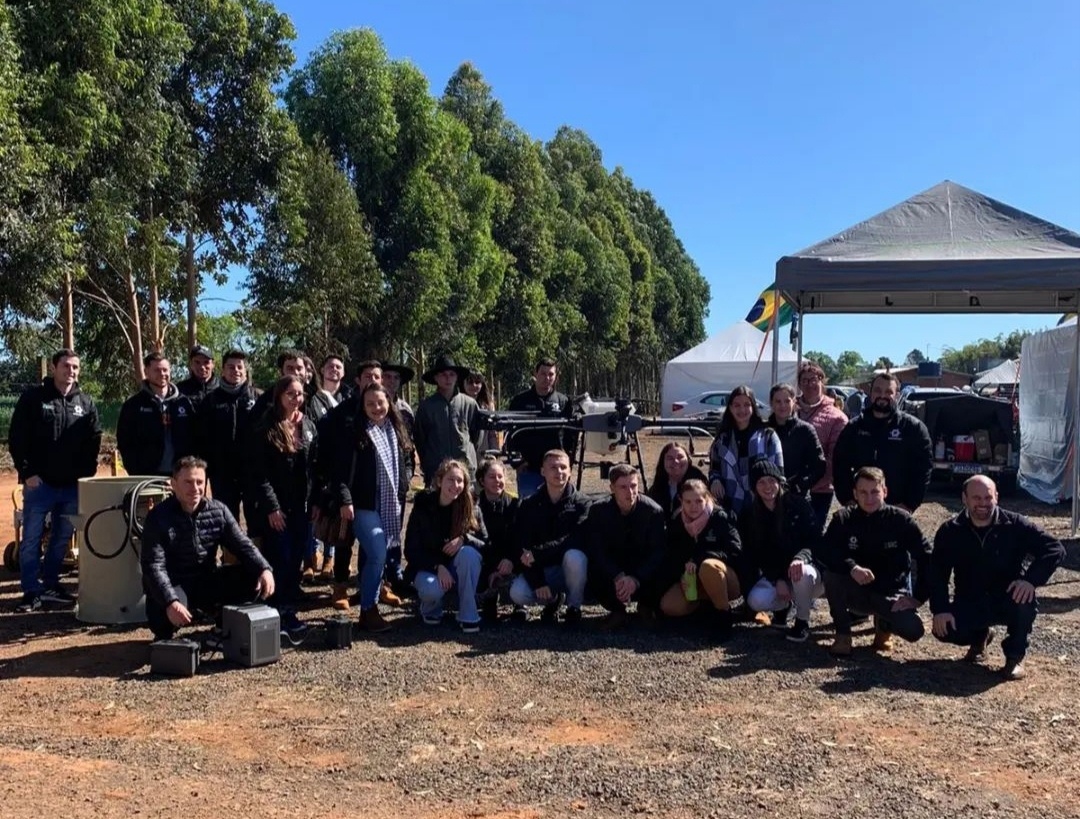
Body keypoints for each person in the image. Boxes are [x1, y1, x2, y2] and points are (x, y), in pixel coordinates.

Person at [930, 475, 1065, 680]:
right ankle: (979, 639)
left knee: (1024, 601)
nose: (983, 503)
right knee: (944, 630)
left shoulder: (1015, 524)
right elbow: (937, 573)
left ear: (996, 497)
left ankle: (1014, 659)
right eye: (976, 498)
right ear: (964, 499)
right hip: (970, 599)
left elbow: (1054, 549)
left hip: (1007, 598)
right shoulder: (950, 531)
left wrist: (1030, 580)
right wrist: (940, 609)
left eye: (988, 497)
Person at [140, 457, 274, 641]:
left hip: (206, 580)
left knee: (254, 577)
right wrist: (171, 601)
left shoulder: (218, 510)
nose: (194, 488)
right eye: (187, 482)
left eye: (199, 482)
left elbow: (243, 545)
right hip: (175, 584)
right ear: (173, 484)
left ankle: (224, 626)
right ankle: (166, 636)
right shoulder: (158, 518)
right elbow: (153, 566)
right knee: (160, 611)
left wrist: (264, 568)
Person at [8, 349, 102, 612]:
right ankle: (30, 592)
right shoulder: (33, 398)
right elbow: (17, 437)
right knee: (31, 539)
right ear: (54, 368)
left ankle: (50, 584)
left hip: (72, 487)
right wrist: (27, 472)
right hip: (40, 485)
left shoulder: (85, 402)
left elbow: (93, 439)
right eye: (66, 366)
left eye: (75, 367)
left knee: (62, 538)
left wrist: (87, 473)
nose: (71, 371)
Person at [317, 383, 413, 631]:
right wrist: (345, 500)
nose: (376, 408)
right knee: (378, 552)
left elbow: (407, 459)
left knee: (380, 556)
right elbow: (340, 472)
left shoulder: (396, 430)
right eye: (370, 404)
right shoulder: (354, 432)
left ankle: (369, 604)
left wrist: (405, 483)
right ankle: (368, 609)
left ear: (388, 403)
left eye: (380, 403)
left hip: (391, 504)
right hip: (363, 506)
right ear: (363, 406)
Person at [821, 467, 931, 656]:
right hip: (856, 591)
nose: (869, 498)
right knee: (831, 576)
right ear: (855, 493)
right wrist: (852, 567)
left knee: (914, 630)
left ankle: (884, 627)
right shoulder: (843, 519)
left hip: (889, 593)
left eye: (875, 492)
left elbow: (926, 557)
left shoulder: (901, 521)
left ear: (885, 492)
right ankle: (843, 634)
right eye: (863, 492)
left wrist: (918, 598)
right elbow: (826, 552)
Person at [247, 375, 318, 638]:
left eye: (300, 394)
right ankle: (276, 611)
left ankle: (286, 610)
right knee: (281, 557)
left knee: (295, 558)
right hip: (276, 509)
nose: (296, 399)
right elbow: (259, 474)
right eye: (291, 394)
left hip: (301, 506)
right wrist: (271, 507)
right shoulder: (266, 427)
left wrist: (316, 501)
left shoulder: (308, 426)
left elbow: (314, 468)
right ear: (279, 396)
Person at [739, 460, 825, 642]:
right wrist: (778, 578)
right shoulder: (750, 515)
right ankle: (782, 608)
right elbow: (756, 554)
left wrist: (801, 557)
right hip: (778, 575)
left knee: (802, 573)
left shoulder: (798, 504)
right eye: (761, 482)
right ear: (754, 487)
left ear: (779, 482)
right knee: (756, 600)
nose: (767, 486)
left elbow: (816, 540)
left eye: (771, 480)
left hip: (807, 572)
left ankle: (802, 622)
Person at [404, 459, 488, 632]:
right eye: (451, 479)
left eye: (460, 481)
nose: (456, 485)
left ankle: (468, 614)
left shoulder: (471, 507)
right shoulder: (423, 506)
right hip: (428, 568)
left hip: (456, 569)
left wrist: (465, 539)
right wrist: (437, 566)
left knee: (469, 554)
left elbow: (485, 543)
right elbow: (411, 550)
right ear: (439, 481)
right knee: (431, 589)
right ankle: (431, 609)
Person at [658, 479, 745, 642]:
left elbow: (735, 550)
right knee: (669, 605)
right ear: (680, 501)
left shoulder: (720, 516)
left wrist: (700, 559)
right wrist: (682, 573)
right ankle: (706, 611)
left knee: (708, 566)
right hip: (693, 579)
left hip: (725, 577)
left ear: (707, 498)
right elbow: (673, 554)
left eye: (699, 501)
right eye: (688, 501)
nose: (693, 506)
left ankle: (724, 617)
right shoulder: (677, 522)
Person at [508, 450, 589, 625]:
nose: (559, 472)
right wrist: (538, 581)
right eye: (553, 467)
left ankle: (574, 607)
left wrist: (537, 553)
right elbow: (522, 545)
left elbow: (572, 540)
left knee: (575, 556)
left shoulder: (582, 504)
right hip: (543, 569)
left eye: (563, 467)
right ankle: (553, 600)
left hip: (571, 570)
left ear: (570, 471)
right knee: (518, 593)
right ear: (543, 471)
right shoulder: (528, 505)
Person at [583, 464, 668, 630]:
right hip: (615, 570)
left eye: (634, 486)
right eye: (623, 487)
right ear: (612, 488)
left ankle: (647, 606)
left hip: (641, 570)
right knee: (592, 566)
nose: (630, 492)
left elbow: (658, 551)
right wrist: (617, 575)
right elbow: (596, 549)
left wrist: (636, 578)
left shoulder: (653, 511)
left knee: (664, 565)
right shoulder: (598, 510)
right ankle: (617, 611)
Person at [832, 373, 933, 513]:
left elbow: (922, 471)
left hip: (897, 509)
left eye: (888, 392)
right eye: (878, 390)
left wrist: (909, 504)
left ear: (897, 395)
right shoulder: (854, 428)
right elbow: (839, 465)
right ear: (870, 393)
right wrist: (847, 499)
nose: (882, 396)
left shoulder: (913, 429)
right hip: (860, 508)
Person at [197, 349, 262, 525]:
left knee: (257, 522)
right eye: (231, 367)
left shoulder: (258, 397)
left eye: (240, 367)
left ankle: (254, 553)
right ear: (223, 370)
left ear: (245, 370)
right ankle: (228, 553)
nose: (236, 371)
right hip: (222, 474)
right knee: (226, 521)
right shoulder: (210, 401)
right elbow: (202, 438)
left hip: (252, 473)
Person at [708, 385, 783, 517]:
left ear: (753, 407)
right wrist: (715, 480)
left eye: (746, 404)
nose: (742, 409)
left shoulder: (768, 436)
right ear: (730, 408)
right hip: (730, 505)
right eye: (736, 405)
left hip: (762, 507)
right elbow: (715, 468)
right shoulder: (722, 439)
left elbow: (779, 473)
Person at [116, 352, 196, 477]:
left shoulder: (184, 402)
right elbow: (124, 441)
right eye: (157, 370)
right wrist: (135, 469)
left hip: (180, 474)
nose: (162, 374)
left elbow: (194, 437)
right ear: (146, 372)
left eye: (165, 370)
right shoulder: (133, 405)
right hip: (146, 474)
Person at [507, 358, 573, 499]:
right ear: (535, 374)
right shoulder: (520, 401)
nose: (547, 378)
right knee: (531, 512)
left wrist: (568, 462)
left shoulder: (564, 402)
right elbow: (511, 434)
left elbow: (570, 436)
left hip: (556, 469)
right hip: (529, 470)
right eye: (543, 374)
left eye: (551, 374)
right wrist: (517, 463)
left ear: (556, 377)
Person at [796, 361, 849, 531]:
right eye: (805, 380)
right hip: (790, 486)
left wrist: (811, 482)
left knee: (813, 533)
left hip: (820, 489)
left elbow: (835, 458)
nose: (810, 384)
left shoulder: (837, 418)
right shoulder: (789, 409)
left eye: (814, 379)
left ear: (822, 381)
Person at [413, 355, 480, 484]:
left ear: (457, 377)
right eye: (443, 375)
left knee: (465, 503)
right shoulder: (426, 406)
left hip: (465, 470)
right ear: (436, 378)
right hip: (436, 471)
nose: (448, 378)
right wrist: (428, 462)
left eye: (451, 374)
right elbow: (420, 439)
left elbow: (475, 436)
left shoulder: (469, 404)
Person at [474, 458, 521, 622]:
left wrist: (510, 559)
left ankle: (520, 604)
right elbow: (477, 540)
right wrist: (492, 568)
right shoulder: (474, 506)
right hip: (486, 559)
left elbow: (519, 538)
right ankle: (489, 598)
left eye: (500, 477)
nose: (497, 481)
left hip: (510, 560)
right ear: (482, 480)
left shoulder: (515, 504)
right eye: (492, 477)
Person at [767, 383, 825, 501]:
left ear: (794, 402)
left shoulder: (806, 430)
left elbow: (819, 465)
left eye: (787, 401)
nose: (782, 405)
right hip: (768, 497)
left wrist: (800, 485)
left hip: (797, 497)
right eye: (778, 401)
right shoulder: (764, 431)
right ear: (771, 403)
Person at [646, 441, 708, 518]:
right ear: (663, 462)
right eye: (670, 458)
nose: (675, 461)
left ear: (688, 460)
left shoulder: (701, 486)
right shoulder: (656, 488)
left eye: (680, 457)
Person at [252, 349, 311, 418]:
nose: (296, 373)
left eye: (299, 368)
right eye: (290, 368)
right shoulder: (267, 400)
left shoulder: (314, 397)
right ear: (280, 372)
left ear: (305, 371)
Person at [462, 368, 500, 457]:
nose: (474, 385)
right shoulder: (458, 404)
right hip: (463, 452)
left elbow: (492, 434)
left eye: (477, 382)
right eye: (470, 382)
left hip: (483, 452)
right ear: (463, 383)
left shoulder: (487, 405)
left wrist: (494, 452)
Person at [307, 354, 351, 422]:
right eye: (330, 366)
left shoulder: (350, 397)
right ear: (322, 370)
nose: (334, 369)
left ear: (343, 373)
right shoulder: (312, 396)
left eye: (338, 367)